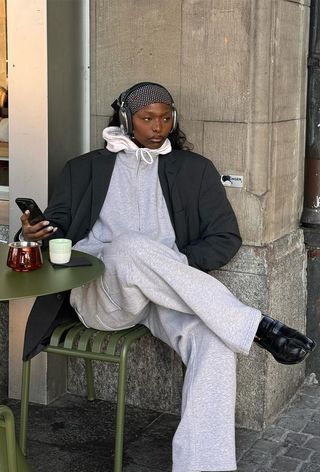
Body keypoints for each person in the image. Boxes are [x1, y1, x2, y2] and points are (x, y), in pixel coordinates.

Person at [20, 82, 316, 472]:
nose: (157, 127)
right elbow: (57, 231)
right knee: (127, 246)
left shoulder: (194, 169)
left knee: (215, 340)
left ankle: (204, 465)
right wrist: (36, 233)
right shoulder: (84, 168)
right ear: (126, 120)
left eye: (165, 117)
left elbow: (225, 238)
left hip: (168, 294)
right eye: (146, 119)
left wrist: (173, 265)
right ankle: (255, 324)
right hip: (104, 294)